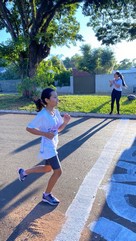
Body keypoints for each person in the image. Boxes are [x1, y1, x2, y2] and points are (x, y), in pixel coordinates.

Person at [18, 87, 71, 205]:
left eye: (57, 97)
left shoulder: (56, 112)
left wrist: (65, 122)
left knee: (47, 168)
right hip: (48, 147)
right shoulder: (42, 115)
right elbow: (29, 128)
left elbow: (58, 130)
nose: (58, 99)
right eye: (55, 97)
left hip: (53, 144)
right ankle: (46, 195)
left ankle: (24, 172)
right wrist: (44, 133)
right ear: (47, 100)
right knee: (58, 171)